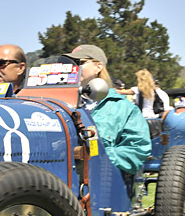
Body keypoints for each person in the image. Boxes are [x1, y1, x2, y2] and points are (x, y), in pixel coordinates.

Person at [64, 44, 150, 175]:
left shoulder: (123, 108)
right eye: (71, 64)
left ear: (98, 67)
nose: (74, 68)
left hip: (101, 182)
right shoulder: (59, 104)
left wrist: (97, 154)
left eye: (79, 62)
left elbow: (137, 149)